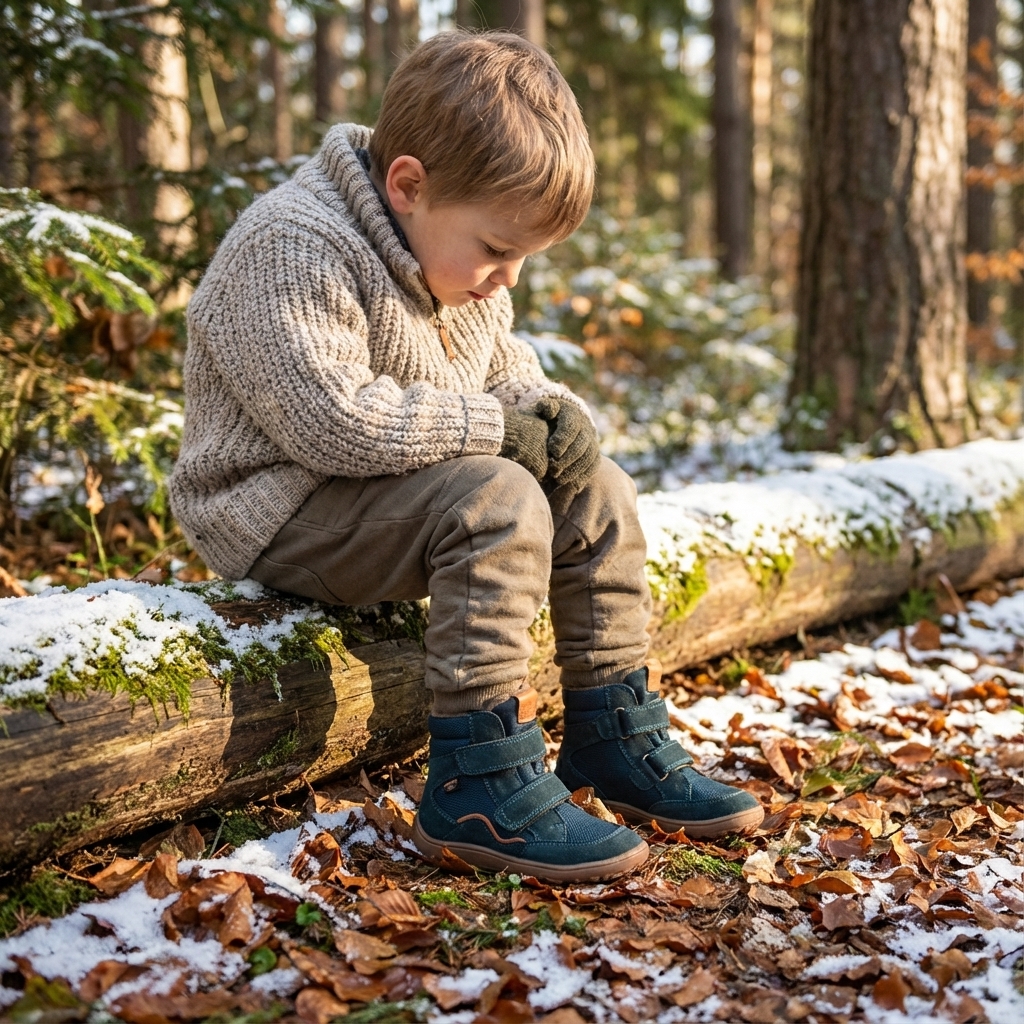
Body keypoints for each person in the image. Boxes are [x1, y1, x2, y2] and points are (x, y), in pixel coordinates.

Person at [169, 30, 763, 883]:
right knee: (496, 499)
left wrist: (556, 418)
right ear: (408, 185)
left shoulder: (451, 262)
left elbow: (506, 378)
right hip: (278, 507)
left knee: (597, 490)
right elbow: (334, 422)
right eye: (497, 250)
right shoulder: (292, 245)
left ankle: (611, 736)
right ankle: (476, 779)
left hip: (382, 497)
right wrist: (496, 432)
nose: (508, 278)